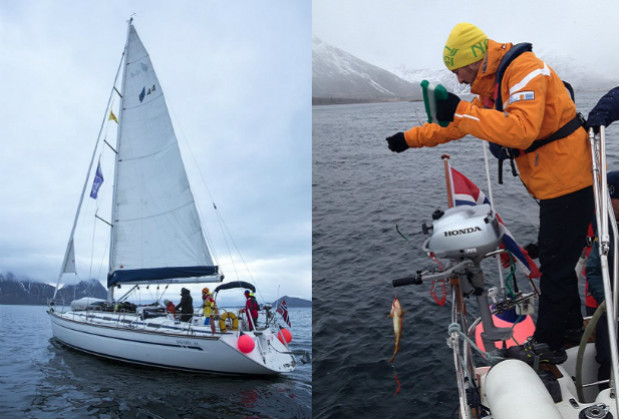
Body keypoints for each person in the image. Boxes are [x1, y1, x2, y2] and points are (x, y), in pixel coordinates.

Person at [386, 22, 594, 365]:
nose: (460, 80)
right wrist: (408, 139)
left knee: (556, 265)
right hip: (556, 182)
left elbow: (521, 132)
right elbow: (456, 124)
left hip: (570, 181)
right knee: (558, 260)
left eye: (459, 71)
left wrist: (462, 110)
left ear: (474, 60)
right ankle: (570, 329)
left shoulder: (525, 71)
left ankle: (548, 343)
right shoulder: (494, 86)